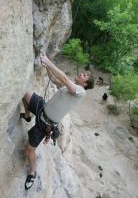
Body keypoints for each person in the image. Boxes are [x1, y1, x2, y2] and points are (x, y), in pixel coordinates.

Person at [21, 52, 94, 190]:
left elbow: (65, 79)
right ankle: (27, 115)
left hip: (45, 124)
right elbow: (55, 80)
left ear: (85, 83)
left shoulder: (81, 92)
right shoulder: (71, 86)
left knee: (29, 150)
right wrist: (47, 67)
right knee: (25, 95)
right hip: (42, 108)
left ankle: (32, 172)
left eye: (85, 75)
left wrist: (48, 62)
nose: (82, 73)